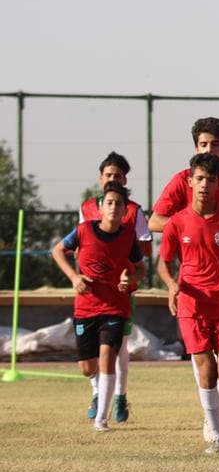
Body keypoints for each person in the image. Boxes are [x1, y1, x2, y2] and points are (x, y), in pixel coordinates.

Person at [156, 154, 219, 453]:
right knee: (205, 368)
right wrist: (172, 285)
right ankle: (217, 434)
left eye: (210, 180)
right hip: (192, 305)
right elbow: (163, 263)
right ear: (190, 182)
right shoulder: (177, 222)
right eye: (199, 179)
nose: (204, 185)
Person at [51, 182, 145, 433]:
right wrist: (74, 277)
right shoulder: (83, 231)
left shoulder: (128, 236)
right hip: (85, 308)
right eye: (109, 203)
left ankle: (101, 420)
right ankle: (96, 390)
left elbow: (141, 269)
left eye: (119, 204)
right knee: (87, 368)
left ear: (125, 211)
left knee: (107, 357)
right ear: (101, 208)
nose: (114, 207)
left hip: (115, 307)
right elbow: (58, 251)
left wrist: (130, 279)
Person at [78, 151, 152, 424]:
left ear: (125, 180)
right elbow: (80, 244)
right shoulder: (87, 207)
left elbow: (146, 249)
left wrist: (123, 250)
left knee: (118, 346)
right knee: (90, 356)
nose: (113, 179)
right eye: (109, 175)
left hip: (122, 289)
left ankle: (119, 395)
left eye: (118, 176)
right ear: (101, 179)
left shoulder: (133, 210)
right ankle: (97, 392)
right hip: (92, 289)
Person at [149, 117, 219, 231]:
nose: (209, 150)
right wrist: (195, 225)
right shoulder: (182, 179)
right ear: (197, 149)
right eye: (203, 144)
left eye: (215, 145)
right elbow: (154, 222)